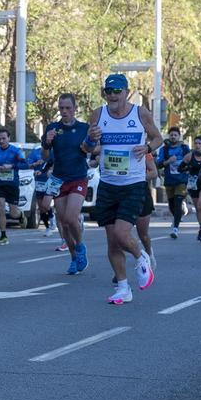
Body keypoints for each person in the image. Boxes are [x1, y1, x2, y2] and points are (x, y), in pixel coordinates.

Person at [85, 74, 161, 305]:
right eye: (109, 91)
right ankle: (123, 287)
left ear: (126, 92)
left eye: (117, 91)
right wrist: (90, 139)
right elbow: (88, 148)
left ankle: (141, 256)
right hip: (108, 184)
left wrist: (147, 147)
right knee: (112, 242)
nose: (113, 95)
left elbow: (158, 138)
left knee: (122, 234)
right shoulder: (98, 115)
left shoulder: (140, 114)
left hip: (133, 184)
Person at [40, 93, 91, 274]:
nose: (64, 111)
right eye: (61, 108)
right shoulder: (52, 128)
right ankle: (73, 258)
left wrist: (91, 149)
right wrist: (47, 143)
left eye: (68, 108)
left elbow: (92, 148)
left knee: (71, 218)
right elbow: (45, 156)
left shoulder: (84, 128)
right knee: (64, 223)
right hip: (59, 179)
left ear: (75, 108)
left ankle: (80, 247)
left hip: (78, 177)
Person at [0, 127, 25, 245]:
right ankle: (3, 235)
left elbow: (24, 164)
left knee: (13, 213)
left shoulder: (16, 151)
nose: (1, 141)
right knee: (0, 205)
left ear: (9, 138)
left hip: (12, 184)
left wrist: (12, 166)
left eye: (3, 138)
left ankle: (20, 215)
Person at [156, 127, 190, 239]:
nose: (173, 137)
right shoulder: (164, 150)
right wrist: (168, 161)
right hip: (169, 180)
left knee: (178, 201)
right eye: (171, 135)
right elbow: (159, 164)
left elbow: (191, 161)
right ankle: (179, 214)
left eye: (175, 135)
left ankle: (175, 229)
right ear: (169, 136)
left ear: (179, 136)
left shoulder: (185, 148)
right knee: (172, 205)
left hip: (181, 180)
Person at [182, 136, 201, 241]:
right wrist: (188, 168)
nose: (197, 145)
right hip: (193, 185)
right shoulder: (189, 156)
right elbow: (180, 168)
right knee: (198, 208)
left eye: (199, 143)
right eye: (196, 143)